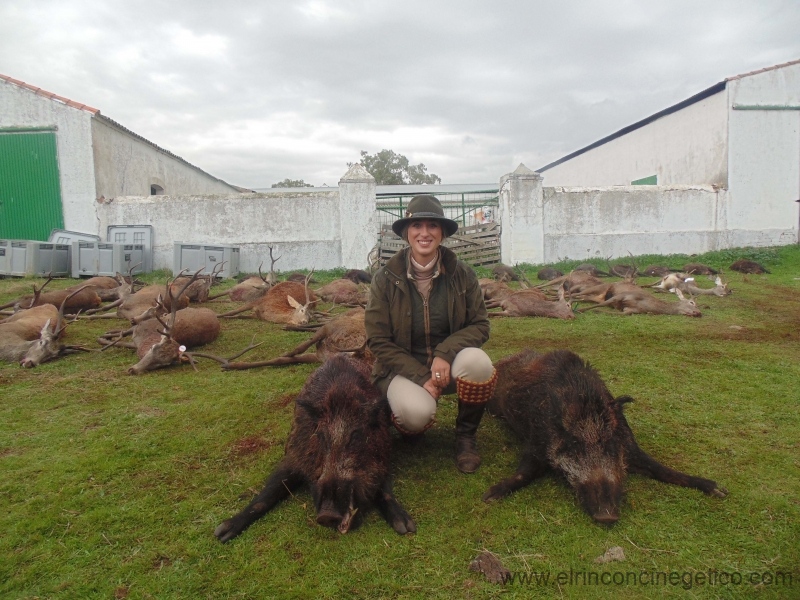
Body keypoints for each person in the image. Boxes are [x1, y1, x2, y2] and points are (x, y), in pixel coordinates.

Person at [365, 195, 496, 473]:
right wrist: (421, 376)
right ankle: (413, 426)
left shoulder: (463, 275)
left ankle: (465, 437)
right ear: (406, 233)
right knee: (415, 415)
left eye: (432, 226)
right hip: (402, 369)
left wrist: (444, 354)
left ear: (443, 233)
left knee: (479, 363)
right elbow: (378, 340)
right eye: (417, 226)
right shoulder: (384, 280)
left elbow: (480, 325)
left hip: (448, 365)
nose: (424, 233)